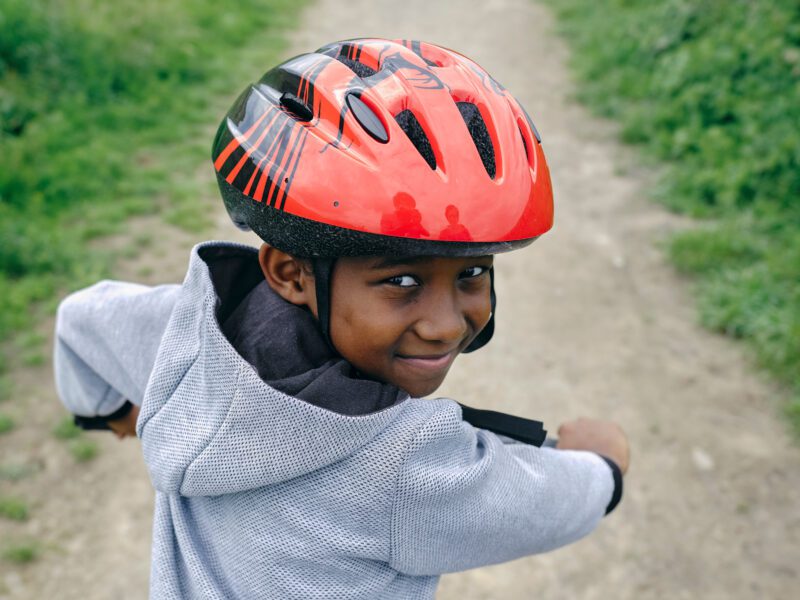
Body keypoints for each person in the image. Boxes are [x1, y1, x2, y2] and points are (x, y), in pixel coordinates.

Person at [54, 38, 629, 599]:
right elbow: (542, 504)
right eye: (402, 281)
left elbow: (81, 321)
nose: (446, 325)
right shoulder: (404, 468)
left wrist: (113, 410)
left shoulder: (187, 333)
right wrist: (604, 466)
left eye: (471, 275)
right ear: (290, 272)